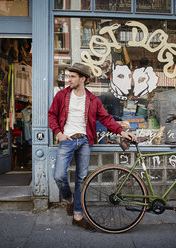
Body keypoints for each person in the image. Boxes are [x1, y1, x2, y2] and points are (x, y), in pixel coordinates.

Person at [48, 62, 136, 231]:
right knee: (59, 175)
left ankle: (78, 215)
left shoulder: (93, 100)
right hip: (66, 140)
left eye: (73, 76)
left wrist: (121, 132)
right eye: (69, 76)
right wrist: (58, 133)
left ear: (83, 79)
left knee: (81, 179)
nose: (69, 79)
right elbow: (52, 114)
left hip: (84, 142)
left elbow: (106, 118)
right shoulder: (62, 95)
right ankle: (70, 200)